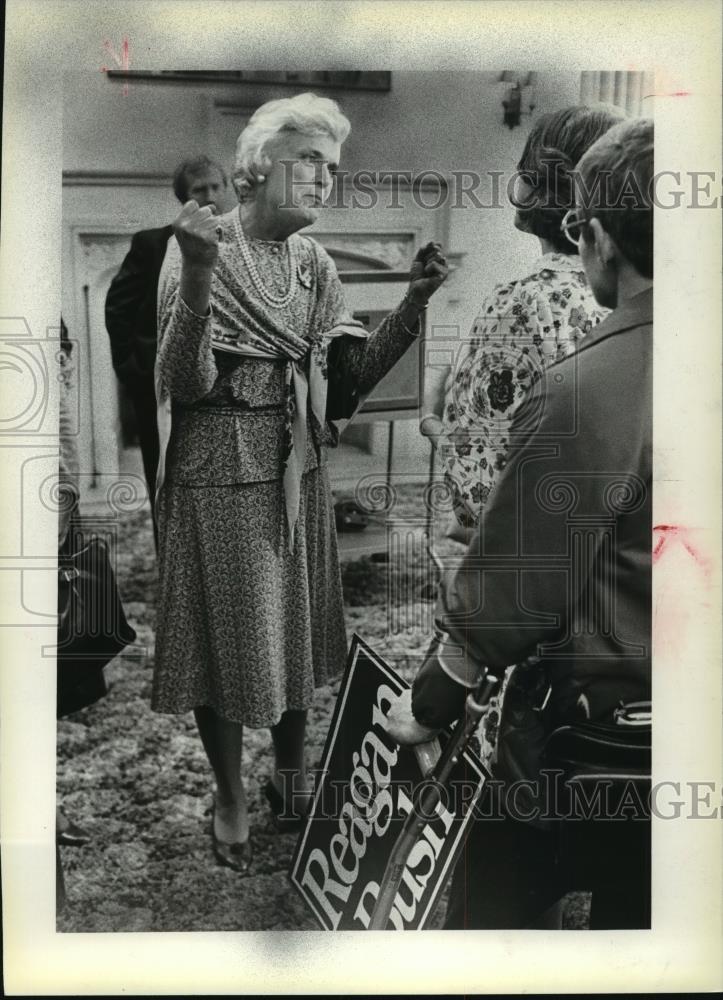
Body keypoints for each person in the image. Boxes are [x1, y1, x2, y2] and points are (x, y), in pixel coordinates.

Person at [150, 93, 448, 873]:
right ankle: (229, 795)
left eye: (332, 166)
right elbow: (182, 382)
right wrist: (199, 272)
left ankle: (287, 785)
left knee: (294, 634)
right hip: (218, 468)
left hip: (296, 464)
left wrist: (413, 303)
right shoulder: (199, 247)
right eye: (308, 159)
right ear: (254, 167)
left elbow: (344, 386)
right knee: (223, 644)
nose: (325, 178)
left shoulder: (313, 265)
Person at [387, 117, 654, 929]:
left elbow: (513, 591)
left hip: (596, 741)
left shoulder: (589, 387)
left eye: (584, 227)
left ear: (599, 236)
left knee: (488, 922)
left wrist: (430, 702)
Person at [421, 104, 627, 540]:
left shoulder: (520, 304)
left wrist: (432, 422)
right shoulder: (641, 300)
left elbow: (476, 488)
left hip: (539, 572)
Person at [105, 156, 229, 541]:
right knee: (168, 487)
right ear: (184, 198)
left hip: (222, 391)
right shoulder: (153, 244)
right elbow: (118, 310)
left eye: (215, 187)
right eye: (199, 190)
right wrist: (141, 374)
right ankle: (175, 575)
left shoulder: (242, 245)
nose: (210, 197)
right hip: (163, 392)